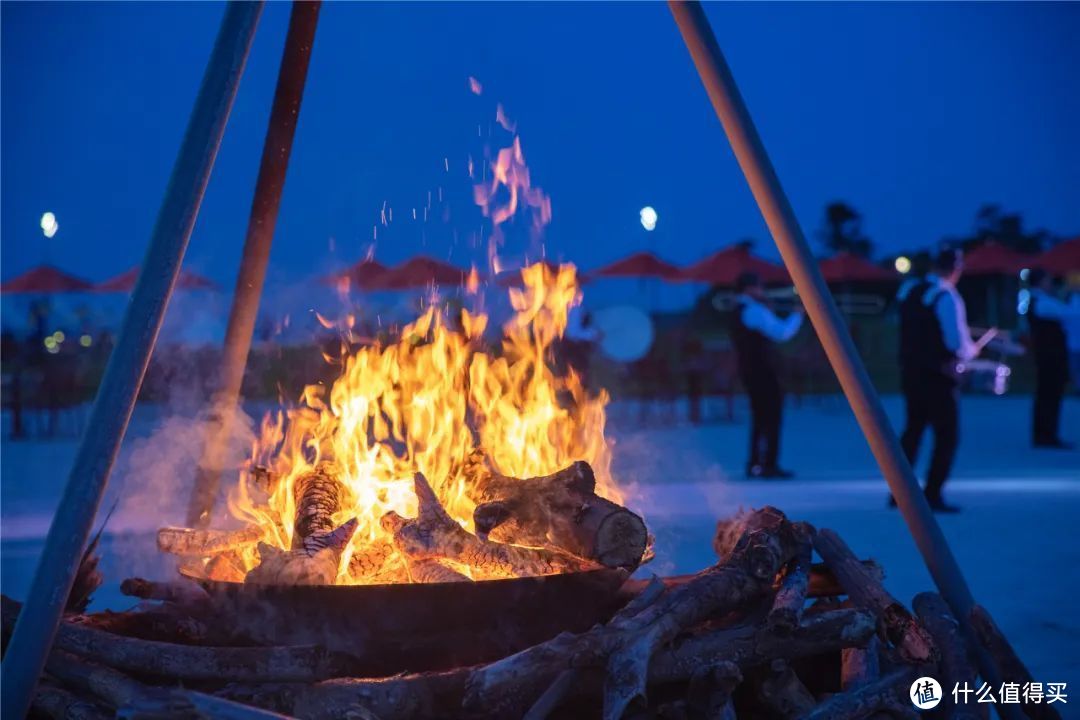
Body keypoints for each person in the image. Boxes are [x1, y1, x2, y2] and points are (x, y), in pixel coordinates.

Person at [896, 248, 978, 512]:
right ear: (956, 270)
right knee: (947, 435)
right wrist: (972, 350)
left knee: (913, 432)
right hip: (939, 375)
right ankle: (932, 494)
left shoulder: (909, 290)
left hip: (910, 372)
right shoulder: (947, 296)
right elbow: (955, 342)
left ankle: (899, 493)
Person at [728, 272, 803, 478]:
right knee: (770, 417)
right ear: (750, 289)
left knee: (761, 418)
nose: (763, 291)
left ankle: (756, 463)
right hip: (762, 370)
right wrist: (798, 314)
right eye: (760, 287)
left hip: (752, 370)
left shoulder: (744, 308)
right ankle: (767, 464)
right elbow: (781, 333)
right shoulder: (753, 310)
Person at [1026, 269, 1078, 449]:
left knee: (1047, 396)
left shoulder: (1040, 300)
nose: (1050, 284)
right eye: (1047, 280)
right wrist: (1072, 294)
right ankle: (1046, 434)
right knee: (1049, 396)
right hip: (1049, 357)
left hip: (1048, 357)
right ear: (1040, 281)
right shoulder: (1041, 302)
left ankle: (1045, 433)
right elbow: (1069, 313)